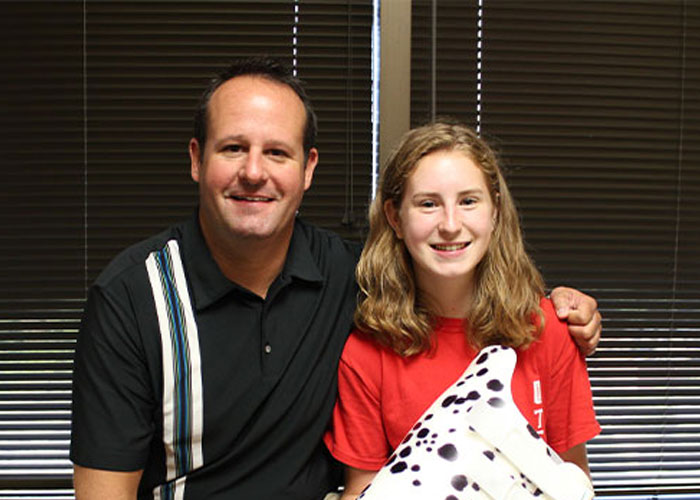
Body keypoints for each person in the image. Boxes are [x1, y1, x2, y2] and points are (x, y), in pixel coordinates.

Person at [70, 58, 601, 499]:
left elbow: (455, 268)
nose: (254, 171)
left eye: (277, 152)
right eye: (233, 148)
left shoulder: (354, 278)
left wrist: (565, 307)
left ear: (308, 168)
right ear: (196, 158)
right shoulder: (131, 300)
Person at [323, 122, 602, 499]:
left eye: (468, 201)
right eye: (427, 204)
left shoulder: (549, 329)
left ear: (495, 212)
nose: (450, 225)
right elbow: (362, 491)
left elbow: (573, 481)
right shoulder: (368, 352)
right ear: (395, 218)